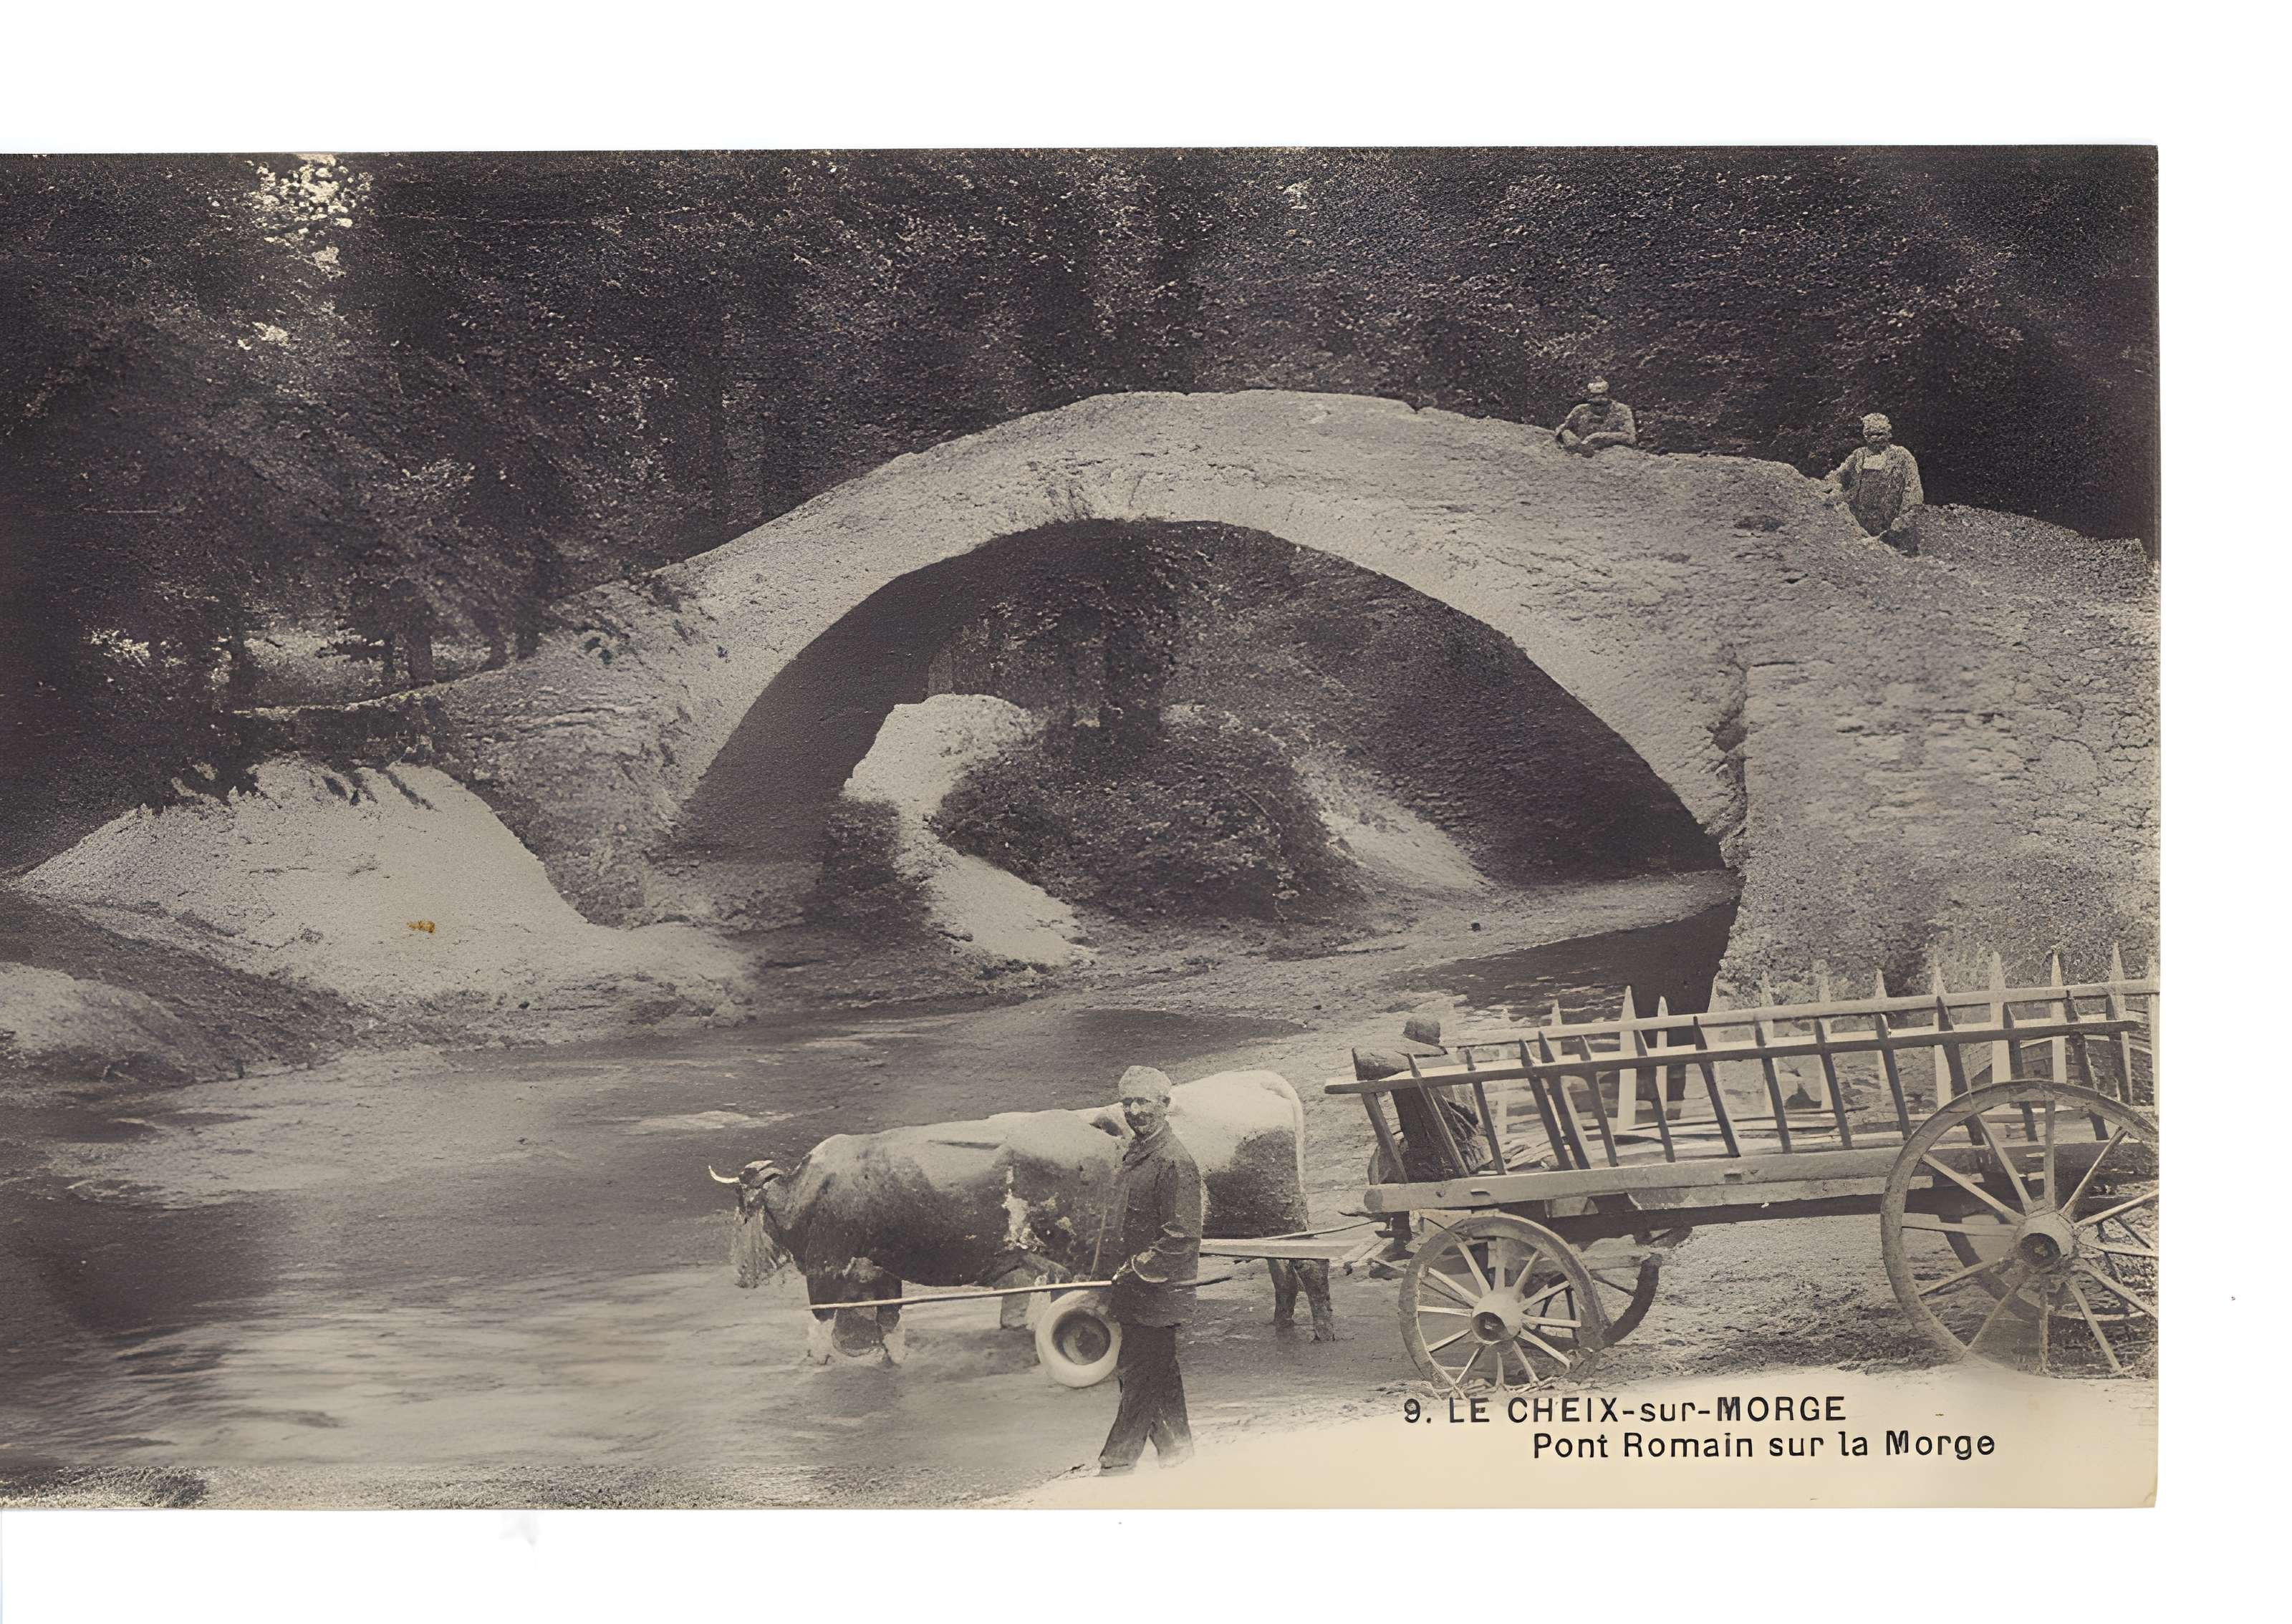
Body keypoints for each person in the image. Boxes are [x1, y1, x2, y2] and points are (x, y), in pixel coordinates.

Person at [1092, 1065, 1201, 1474]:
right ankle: (1178, 1451)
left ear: (1165, 1106)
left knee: (1139, 1374)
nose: (1134, 1111)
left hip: (1160, 1291)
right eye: (1127, 1102)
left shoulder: (1174, 1162)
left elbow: (1182, 1235)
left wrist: (1136, 1269)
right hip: (1136, 1289)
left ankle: (1117, 1461)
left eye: (1143, 1102)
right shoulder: (1136, 1156)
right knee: (1158, 1372)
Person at [1824, 413, 1924, 554]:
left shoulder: (1902, 456)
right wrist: (1835, 488)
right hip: (1859, 520)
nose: (1876, 439)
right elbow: (1838, 475)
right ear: (1865, 436)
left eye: (1880, 434)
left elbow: (1913, 489)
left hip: (1891, 520)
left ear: (1889, 434)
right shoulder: (1859, 455)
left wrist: (1904, 517)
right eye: (1871, 434)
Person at [1556, 377, 1637, 453]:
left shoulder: (1622, 410)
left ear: (1608, 395)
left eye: (1602, 396)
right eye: (1594, 397)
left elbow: (1630, 437)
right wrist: (1572, 441)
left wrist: (1600, 437)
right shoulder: (1580, 410)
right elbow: (1563, 429)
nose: (1598, 400)